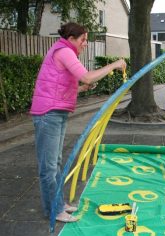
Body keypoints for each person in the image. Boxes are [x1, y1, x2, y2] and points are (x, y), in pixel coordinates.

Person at [30, 22, 126, 223]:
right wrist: (115, 64)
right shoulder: (64, 51)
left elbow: (59, 85)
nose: (86, 44)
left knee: (55, 163)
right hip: (48, 114)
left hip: (56, 113)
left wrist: (82, 89)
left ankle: (58, 204)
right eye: (83, 39)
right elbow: (86, 75)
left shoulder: (63, 52)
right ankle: (54, 211)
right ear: (71, 39)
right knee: (48, 167)